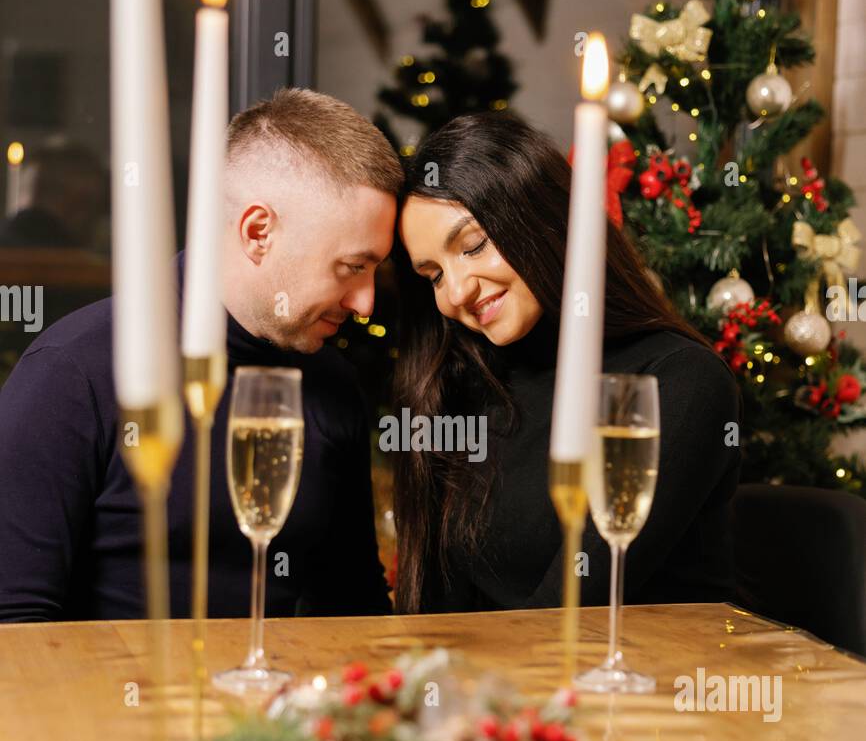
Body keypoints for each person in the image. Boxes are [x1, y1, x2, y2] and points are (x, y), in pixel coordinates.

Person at [0, 88, 401, 621]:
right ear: (258, 233)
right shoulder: (72, 374)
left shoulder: (330, 382)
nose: (367, 301)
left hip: (271, 702)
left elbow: (353, 607)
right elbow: (15, 627)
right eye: (352, 266)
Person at [392, 112, 741, 615]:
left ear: (541, 218)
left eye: (473, 246)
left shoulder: (679, 381)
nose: (456, 292)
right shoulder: (467, 381)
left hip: (649, 682)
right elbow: (439, 611)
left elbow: (569, 613)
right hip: (502, 684)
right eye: (433, 276)